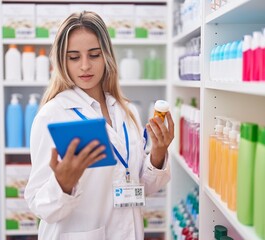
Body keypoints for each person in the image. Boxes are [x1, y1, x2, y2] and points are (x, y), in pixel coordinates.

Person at [24, 10, 174, 240]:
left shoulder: (127, 110)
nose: (85, 66)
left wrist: (158, 153)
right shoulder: (52, 115)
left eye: (93, 55)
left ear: (106, 56)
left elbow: (139, 185)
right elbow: (38, 204)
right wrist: (63, 185)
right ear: (62, 62)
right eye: (74, 57)